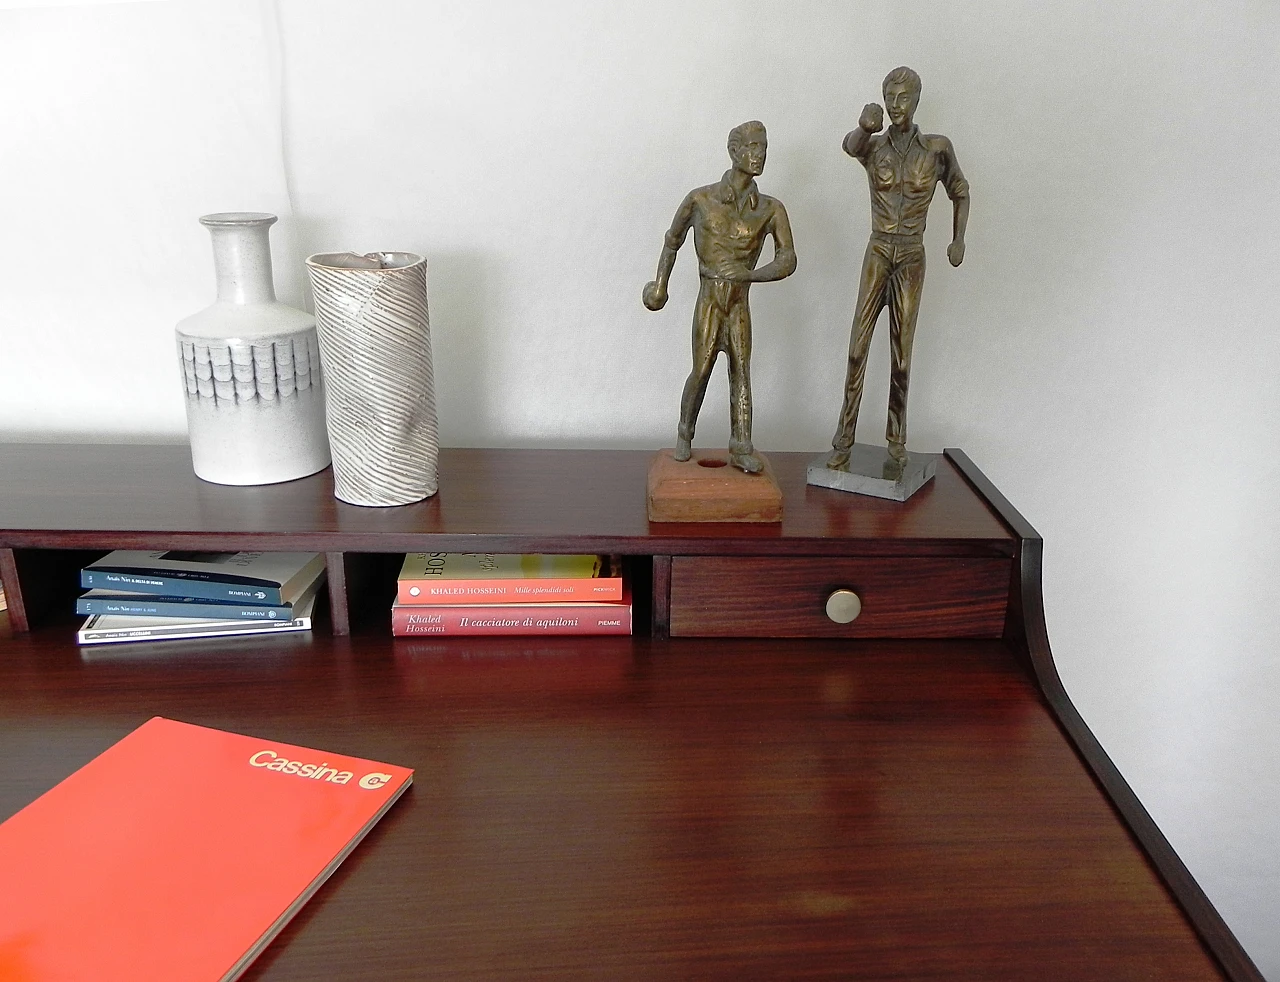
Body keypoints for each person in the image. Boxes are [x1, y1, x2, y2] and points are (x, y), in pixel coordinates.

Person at [826, 67, 969, 470]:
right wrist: (862, 125)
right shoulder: (873, 146)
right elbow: (851, 146)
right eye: (889, 98)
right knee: (857, 347)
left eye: (903, 98)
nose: (895, 105)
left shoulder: (937, 148)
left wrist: (958, 239)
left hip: (911, 254)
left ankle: (896, 439)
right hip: (878, 249)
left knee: (901, 355)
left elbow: (960, 190)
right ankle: (843, 438)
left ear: (916, 100)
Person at [644, 121, 797, 474]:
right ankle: (684, 432)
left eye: (764, 147)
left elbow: (788, 258)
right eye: (753, 147)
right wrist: (659, 285)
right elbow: (673, 240)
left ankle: (742, 445)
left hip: (739, 301)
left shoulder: (771, 209)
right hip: (710, 298)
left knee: (741, 371)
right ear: (734, 151)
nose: (760, 154)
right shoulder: (701, 199)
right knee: (701, 368)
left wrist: (751, 275)